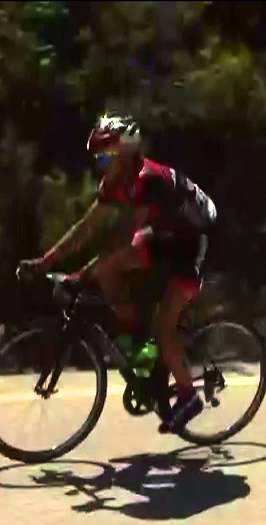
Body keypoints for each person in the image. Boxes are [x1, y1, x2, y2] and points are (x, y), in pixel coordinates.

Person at [17, 114, 218, 433]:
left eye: (106, 156)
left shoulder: (146, 179)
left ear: (126, 152)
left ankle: (188, 396)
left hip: (192, 238)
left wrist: (79, 276)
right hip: (165, 232)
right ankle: (138, 344)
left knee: (164, 325)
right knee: (110, 272)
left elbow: (122, 242)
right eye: (97, 157)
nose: (101, 163)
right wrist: (46, 261)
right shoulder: (115, 181)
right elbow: (87, 227)